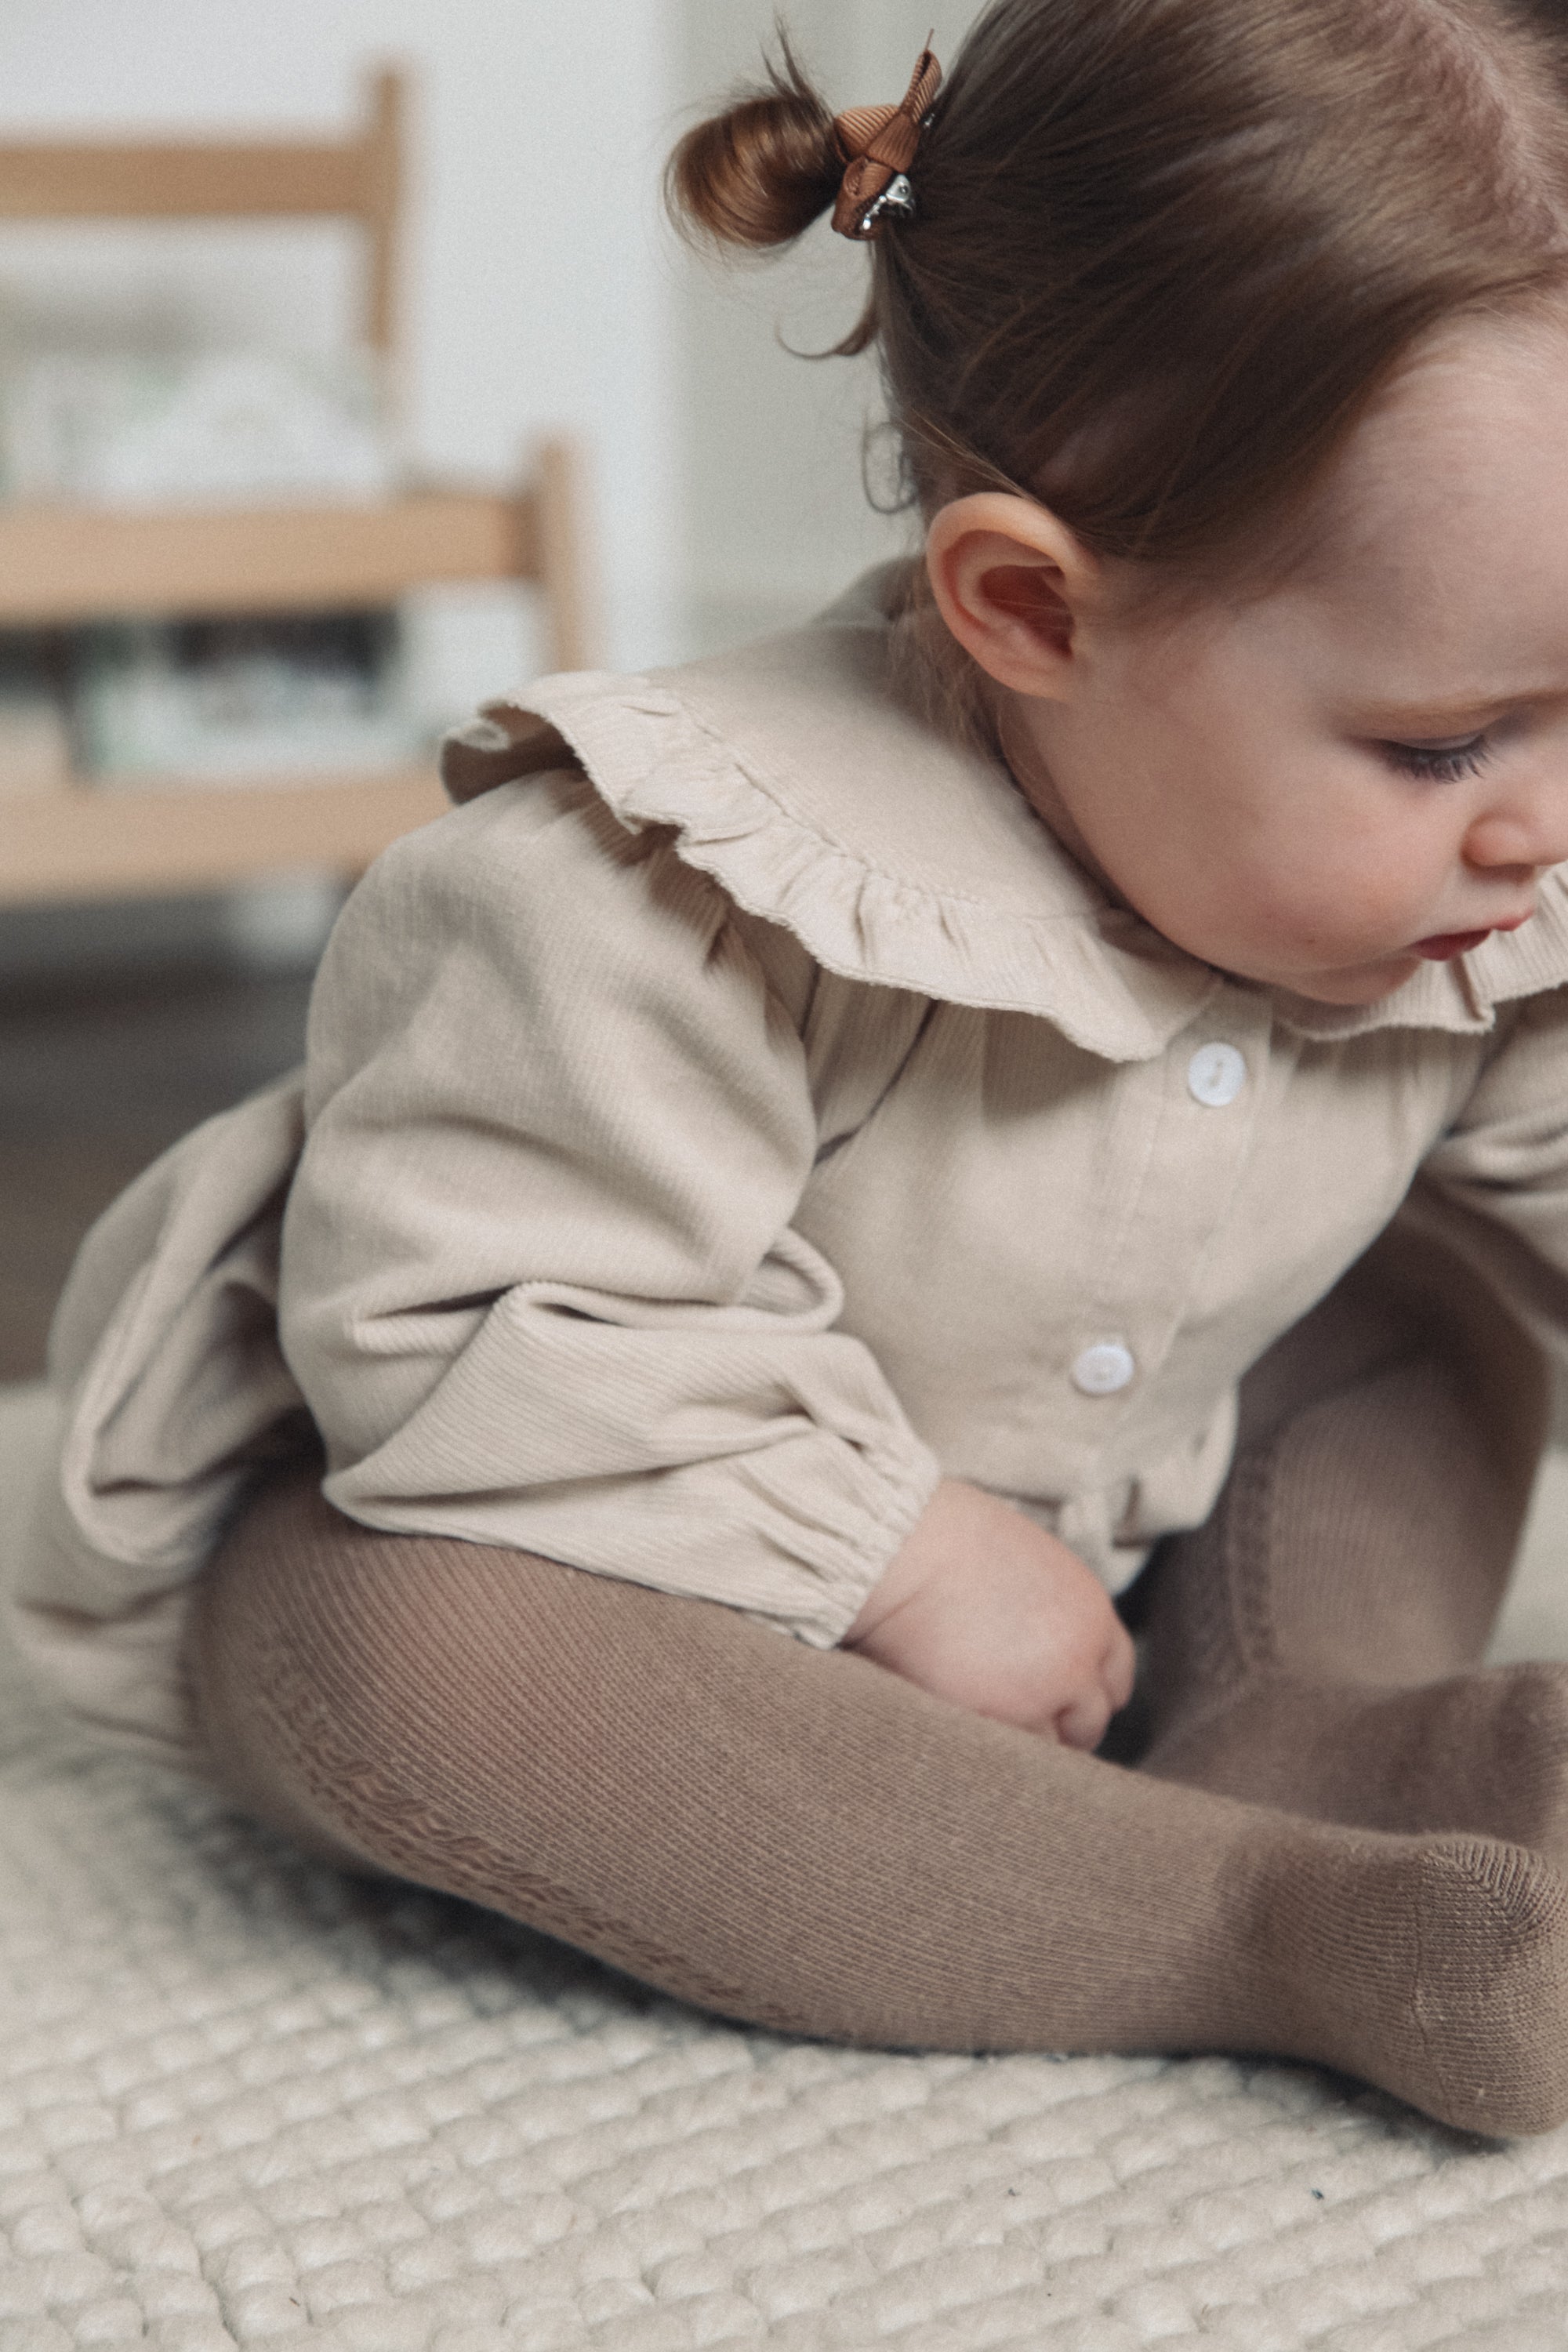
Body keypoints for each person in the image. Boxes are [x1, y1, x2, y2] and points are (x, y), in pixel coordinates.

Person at [16, 0, 1568, 2135]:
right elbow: (474, 1332)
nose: (1536, 821)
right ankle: (1244, 1917)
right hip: (623, 1544)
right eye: (1446, 739)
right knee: (398, 1655)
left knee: (1444, 1313)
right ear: (1031, 610)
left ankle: (1319, 1715)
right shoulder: (665, 892)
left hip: (1128, 1527)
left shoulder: (1473, 879)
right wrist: (895, 1550)